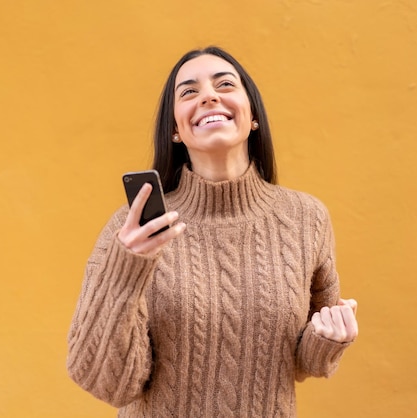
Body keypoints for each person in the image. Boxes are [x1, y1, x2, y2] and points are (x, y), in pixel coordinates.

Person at [66, 46, 358, 418]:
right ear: (174, 130)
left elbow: (301, 361)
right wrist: (125, 270)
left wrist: (329, 338)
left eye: (225, 84)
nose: (208, 96)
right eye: (188, 92)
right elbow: (107, 383)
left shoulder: (306, 218)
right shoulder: (134, 228)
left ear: (252, 115)